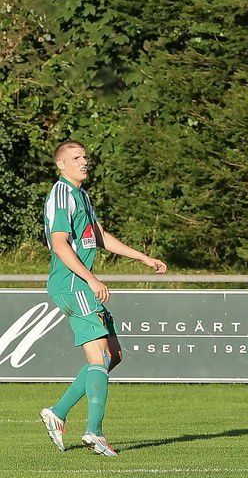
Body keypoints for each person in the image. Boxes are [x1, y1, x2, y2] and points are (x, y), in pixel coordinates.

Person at [40, 139, 167, 456]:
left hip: (80, 284)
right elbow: (59, 243)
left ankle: (57, 412)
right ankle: (94, 432)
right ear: (61, 164)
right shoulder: (61, 193)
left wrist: (143, 258)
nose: (83, 161)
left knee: (113, 355)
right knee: (98, 358)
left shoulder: (81, 195)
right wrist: (91, 278)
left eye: (84, 156)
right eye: (75, 157)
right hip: (73, 284)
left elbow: (99, 237)